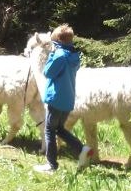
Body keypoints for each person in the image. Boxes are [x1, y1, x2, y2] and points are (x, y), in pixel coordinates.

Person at [33, 24, 92, 174]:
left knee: (49, 130)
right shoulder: (74, 56)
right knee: (59, 129)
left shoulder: (59, 55)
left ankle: (51, 165)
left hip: (55, 99)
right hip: (67, 100)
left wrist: (52, 54)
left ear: (58, 41)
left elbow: (47, 72)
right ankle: (82, 149)